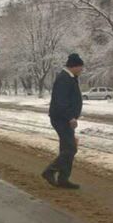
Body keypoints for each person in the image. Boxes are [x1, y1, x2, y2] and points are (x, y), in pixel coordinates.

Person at [42, 53, 84, 189]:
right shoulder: (64, 79)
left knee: (67, 148)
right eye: (80, 67)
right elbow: (61, 102)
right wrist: (70, 117)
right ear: (74, 66)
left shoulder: (70, 78)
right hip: (61, 118)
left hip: (65, 119)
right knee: (70, 148)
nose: (81, 70)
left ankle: (63, 179)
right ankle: (50, 171)